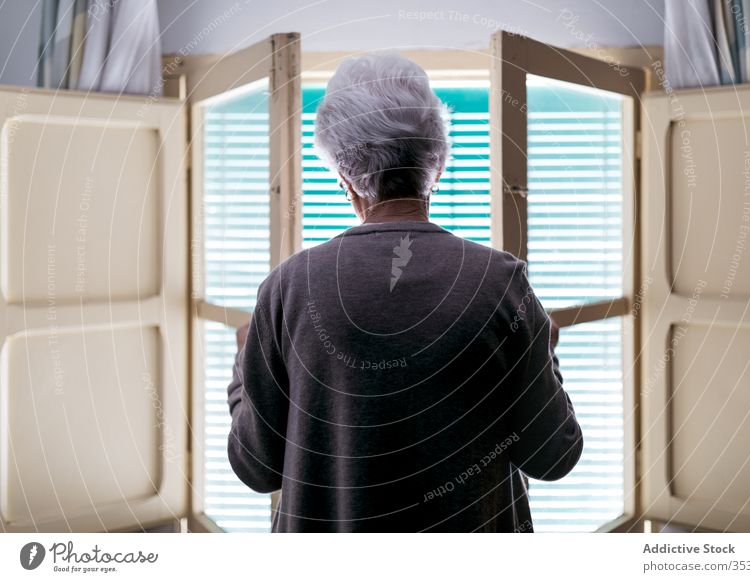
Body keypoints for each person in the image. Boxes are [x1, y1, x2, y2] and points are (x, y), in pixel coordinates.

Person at [226, 52, 582, 532]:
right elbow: (553, 456)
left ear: (344, 178)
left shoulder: (288, 287)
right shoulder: (500, 283)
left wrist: (245, 363)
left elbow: (255, 466)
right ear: (435, 166)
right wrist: (546, 352)